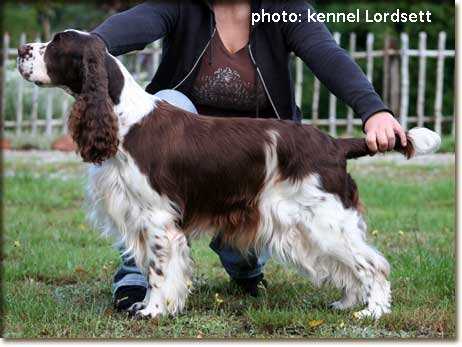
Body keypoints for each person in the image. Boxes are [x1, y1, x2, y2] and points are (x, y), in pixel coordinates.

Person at [92, 0, 407, 311]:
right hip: (186, 155)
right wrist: (91, 44)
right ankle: (136, 275)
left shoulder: (284, 7)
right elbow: (137, 22)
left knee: (247, 250)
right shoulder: (182, 5)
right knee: (149, 181)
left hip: (256, 160)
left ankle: (248, 272)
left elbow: (327, 54)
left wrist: (373, 110)